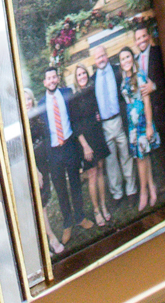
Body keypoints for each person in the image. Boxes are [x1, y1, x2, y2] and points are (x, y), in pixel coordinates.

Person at [40, 64, 90, 242]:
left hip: (69, 145)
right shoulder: (40, 105)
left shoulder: (67, 93)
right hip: (54, 153)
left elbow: (76, 118)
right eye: (49, 78)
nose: (52, 80)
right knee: (61, 189)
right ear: (44, 82)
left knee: (75, 183)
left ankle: (80, 217)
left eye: (54, 77)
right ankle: (67, 223)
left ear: (57, 79)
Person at [91, 41, 136, 206]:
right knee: (111, 161)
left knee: (126, 156)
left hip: (120, 121)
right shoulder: (92, 79)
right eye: (98, 57)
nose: (101, 59)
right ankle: (117, 194)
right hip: (105, 126)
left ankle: (131, 191)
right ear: (95, 61)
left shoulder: (118, 71)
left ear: (107, 55)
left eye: (103, 55)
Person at [67, 63, 112, 226]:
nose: (82, 77)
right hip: (85, 141)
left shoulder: (92, 91)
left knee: (100, 170)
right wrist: (85, 146)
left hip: (97, 135)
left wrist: (99, 114)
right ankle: (96, 210)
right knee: (92, 174)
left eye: (84, 73)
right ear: (76, 78)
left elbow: (97, 108)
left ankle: (104, 205)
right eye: (79, 75)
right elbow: (75, 124)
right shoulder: (73, 98)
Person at [118, 43, 159, 212]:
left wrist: (149, 125)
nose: (126, 60)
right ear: (120, 63)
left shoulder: (140, 76)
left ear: (132, 58)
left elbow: (147, 101)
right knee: (143, 156)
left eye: (128, 56)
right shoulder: (124, 78)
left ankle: (143, 193)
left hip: (142, 123)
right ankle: (152, 188)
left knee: (140, 159)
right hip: (132, 126)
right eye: (122, 59)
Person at [133, 20, 165, 204]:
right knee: (157, 147)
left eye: (143, 36)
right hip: (146, 111)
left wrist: (154, 86)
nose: (141, 40)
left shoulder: (157, 52)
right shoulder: (135, 61)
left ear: (148, 36)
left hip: (161, 106)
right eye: (137, 38)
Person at [23, 89, 64, 254]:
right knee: (40, 205)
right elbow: (25, 150)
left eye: (29, 99)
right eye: (24, 100)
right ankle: (51, 238)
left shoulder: (37, 116)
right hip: (34, 168)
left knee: (44, 201)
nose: (27, 102)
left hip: (46, 162)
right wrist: (36, 171)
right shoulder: (21, 122)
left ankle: (45, 239)